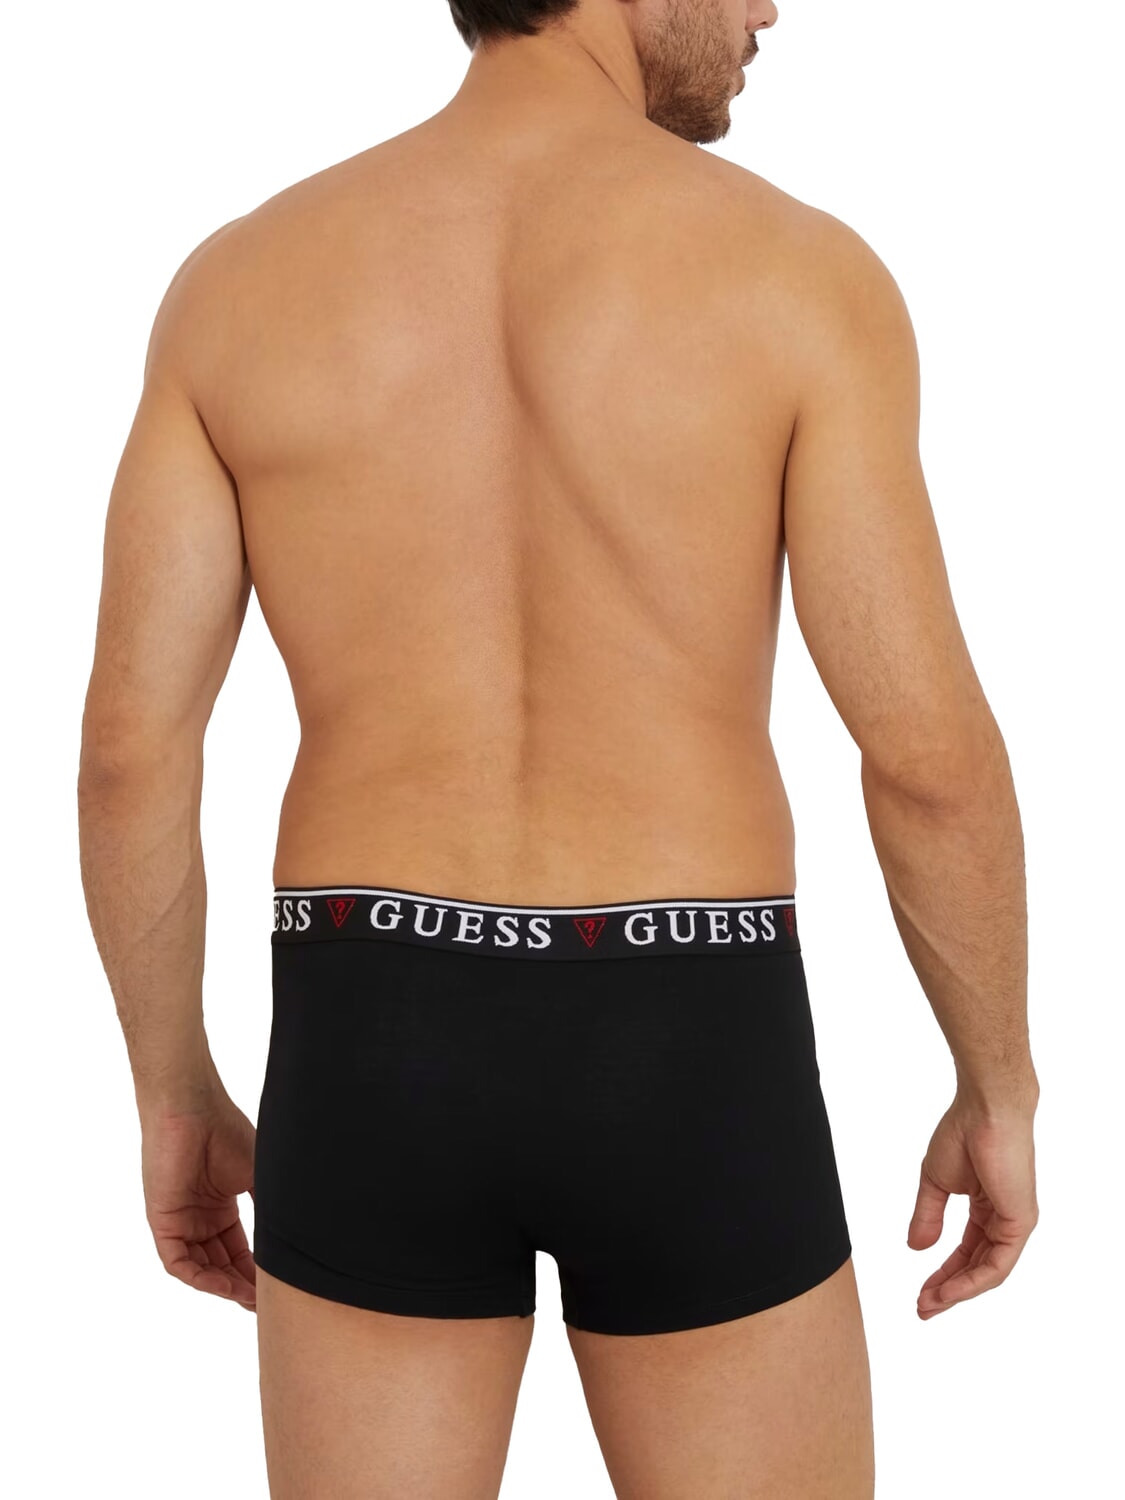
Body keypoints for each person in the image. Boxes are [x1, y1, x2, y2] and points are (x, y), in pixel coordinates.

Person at [76, 1, 1040, 1495]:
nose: (767, 7)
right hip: (689, 1024)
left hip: (370, 1017)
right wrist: (998, 1087)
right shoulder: (795, 276)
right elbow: (924, 753)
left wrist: (170, 1087)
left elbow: (133, 749)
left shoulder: (239, 287)